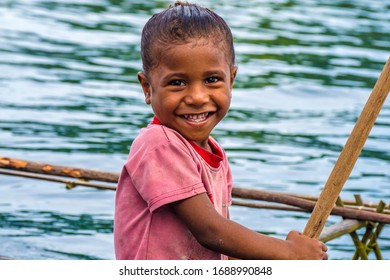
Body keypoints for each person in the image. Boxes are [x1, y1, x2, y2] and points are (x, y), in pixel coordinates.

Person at [114, 1, 328, 260]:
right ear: (147, 88)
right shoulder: (158, 144)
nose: (196, 97)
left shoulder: (214, 153)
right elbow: (209, 230)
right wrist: (288, 252)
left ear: (231, 79)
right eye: (177, 83)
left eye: (212, 80)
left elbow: (220, 245)